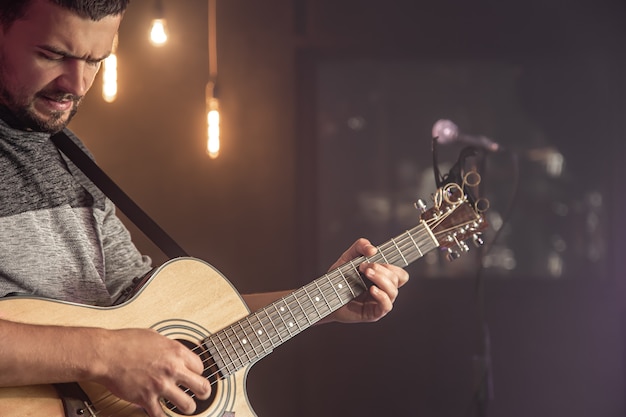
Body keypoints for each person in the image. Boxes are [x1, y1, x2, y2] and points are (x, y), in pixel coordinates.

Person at [0, 1, 409, 416]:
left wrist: (326, 302)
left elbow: (153, 321)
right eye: (52, 55)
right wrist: (105, 354)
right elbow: (120, 352)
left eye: (96, 60)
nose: (77, 83)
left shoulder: (70, 157)